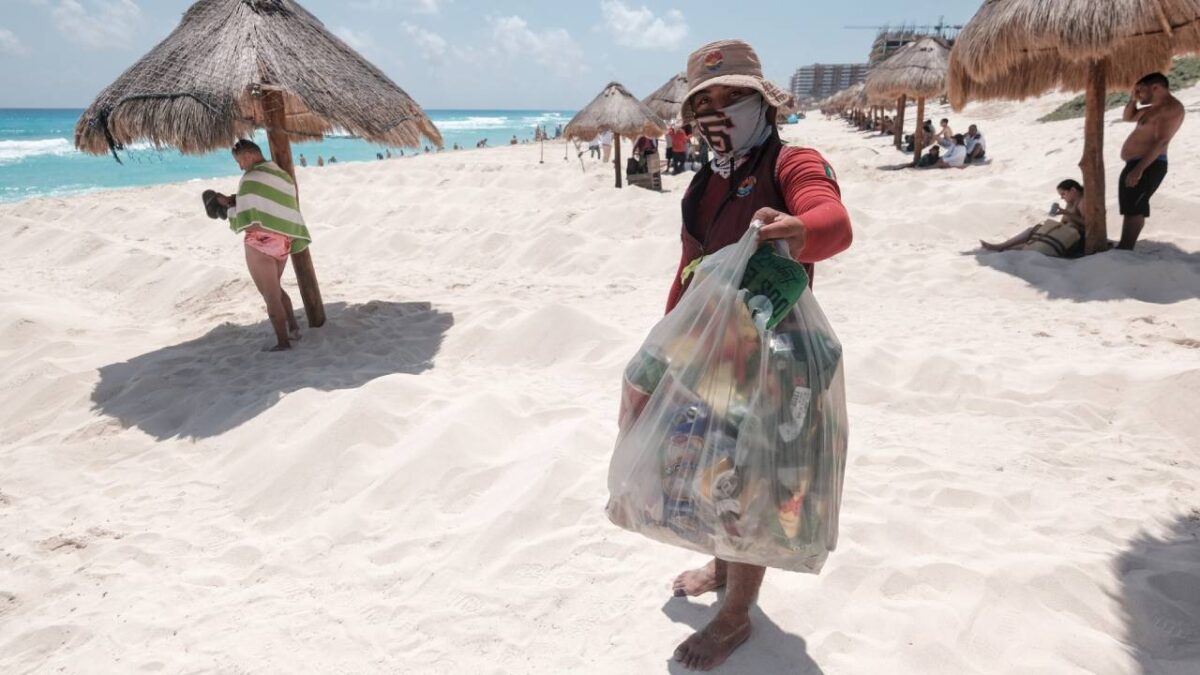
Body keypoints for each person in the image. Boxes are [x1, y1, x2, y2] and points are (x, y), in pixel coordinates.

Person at [655, 39, 852, 671]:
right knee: (713, 473)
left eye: (729, 97)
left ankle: (737, 616)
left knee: (752, 489)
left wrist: (800, 229)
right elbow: (688, 268)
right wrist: (666, 346)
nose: (716, 112)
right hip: (714, 351)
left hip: (777, 358)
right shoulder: (703, 185)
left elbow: (833, 220)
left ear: (762, 101)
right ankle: (722, 566)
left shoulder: (792, 162)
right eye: (702, 102)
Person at [210, 140, 311, 351]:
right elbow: (270, 203)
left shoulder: (250, 178)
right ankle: (293, 327)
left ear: (248, 156)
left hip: (260, 243)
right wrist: (232, 200)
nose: (240, 167)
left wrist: (228, 210)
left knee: (270, 294)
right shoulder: (281, 175)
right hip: (282, 243)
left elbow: (245, 215)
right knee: (275, 286)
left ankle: (283, 342)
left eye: (240, 162)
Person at [1117, 72, 1186, 250]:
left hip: (1149, 163)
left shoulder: (1172, 108)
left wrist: (1139, 169)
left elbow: (1161, 141)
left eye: (1141, 90)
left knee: (1136, 207)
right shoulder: (1151, 109)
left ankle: (1126, 247)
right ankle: (1125, 246)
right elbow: (1127, 117)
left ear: (1156, 88)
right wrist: (1132, 99)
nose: (1139, 94)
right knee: (1129, 206)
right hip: (1136, 162)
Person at [981, 179, 1087, 257]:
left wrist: (1066, 213)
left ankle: (1001, 248)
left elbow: (1088, 224)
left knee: (1034, 243)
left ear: (1073, 190)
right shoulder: (1070, 202)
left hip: (1074, 240)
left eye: (1063, 194)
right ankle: (1001, 247)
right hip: (1063, 235)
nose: (1062, 197)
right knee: (1031, 231)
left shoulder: (1082, 202)